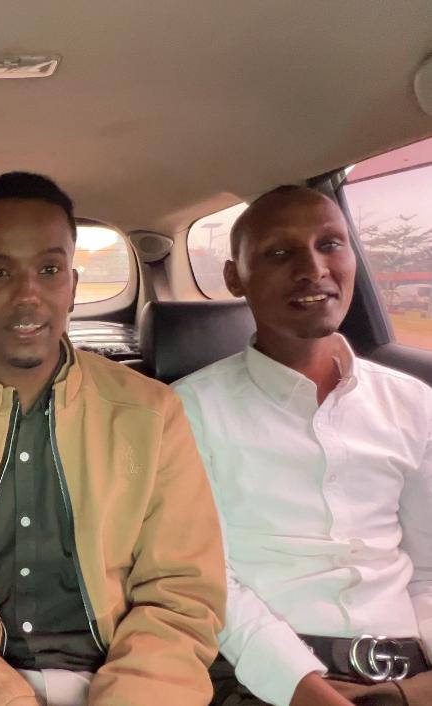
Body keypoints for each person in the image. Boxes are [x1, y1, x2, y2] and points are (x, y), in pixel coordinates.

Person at [0, 172, 226, 705]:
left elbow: (182, 596)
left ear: (73, 286)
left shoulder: (151, 413)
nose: (27, 295)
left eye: (49, 270)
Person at [173, 185, 432, 706]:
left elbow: (428, 568)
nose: (313, 267)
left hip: (409, 672)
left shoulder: (414, 404)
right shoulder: (187, 411)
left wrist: (411, 692)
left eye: (330, 244)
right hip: (264, 675)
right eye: (279, 252)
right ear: (233, 277)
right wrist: (301, 688)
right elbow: (206, 580)